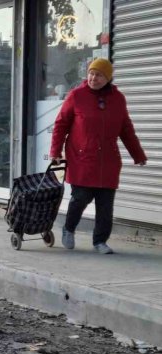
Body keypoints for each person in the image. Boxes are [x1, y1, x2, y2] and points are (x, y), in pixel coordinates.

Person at [50, 58, 147, 254]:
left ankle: (100, 241)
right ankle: (68, 229)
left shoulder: (118, 99)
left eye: (99, 75)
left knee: (105, 205)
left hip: (108, 161)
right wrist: (55, 152)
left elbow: (126, 129)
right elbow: (60, 125)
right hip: (82, 158)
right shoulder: (76, 96)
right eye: (91, 73)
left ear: (108, 78)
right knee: (80, 198)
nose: (94, 78)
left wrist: (138, 154)